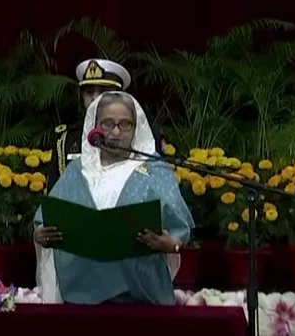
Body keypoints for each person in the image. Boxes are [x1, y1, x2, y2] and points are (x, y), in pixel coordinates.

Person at [33, 91, 194, 305]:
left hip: (141, 297)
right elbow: (44, 221)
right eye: (108, 123)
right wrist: (40, 235)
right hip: (81, 296)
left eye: (125, 124)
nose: (116, 132)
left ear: (136, 128)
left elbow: (179, 233)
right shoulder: (77, 171)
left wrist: (170, 244)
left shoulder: (155, 170)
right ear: (95, 127)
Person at [48, 59, 132, 192]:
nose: (94, 97)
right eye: (89, 92)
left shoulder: (135, 135)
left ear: (119, 96)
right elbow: (53, 194)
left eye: (102, 91)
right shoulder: (66, 139)